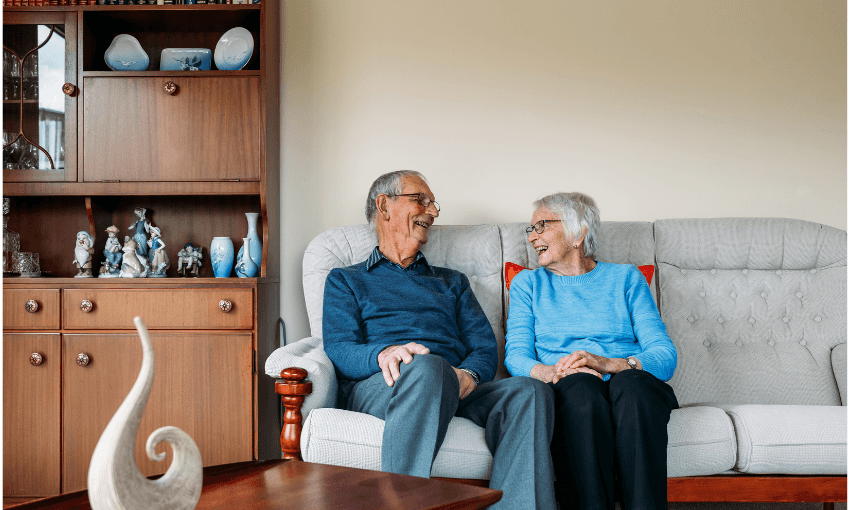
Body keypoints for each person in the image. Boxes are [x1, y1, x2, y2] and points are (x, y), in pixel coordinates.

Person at [323, 170, 556, 509]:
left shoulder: (452, 282)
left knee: (530, 391)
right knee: (428, 368)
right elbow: (340, 348)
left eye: (434, 204)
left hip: (453, 382)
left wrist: (469, 375)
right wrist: (384, 353)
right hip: (386, 385)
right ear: (384, 206)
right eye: (421, 200)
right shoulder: (346, 279)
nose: (432, 212)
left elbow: (484, 346)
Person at [504, 192, 678, 510]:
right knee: (581, 389)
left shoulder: (626, 279)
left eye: (541, 225)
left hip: (631, 386)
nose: (532, 237)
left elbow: (664, 356)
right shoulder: (528, 284)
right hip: (572, 385)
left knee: (633, 384)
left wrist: (610, 363)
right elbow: (516, 354)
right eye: (530, 229)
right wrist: (555, 371)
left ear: (578, 232)